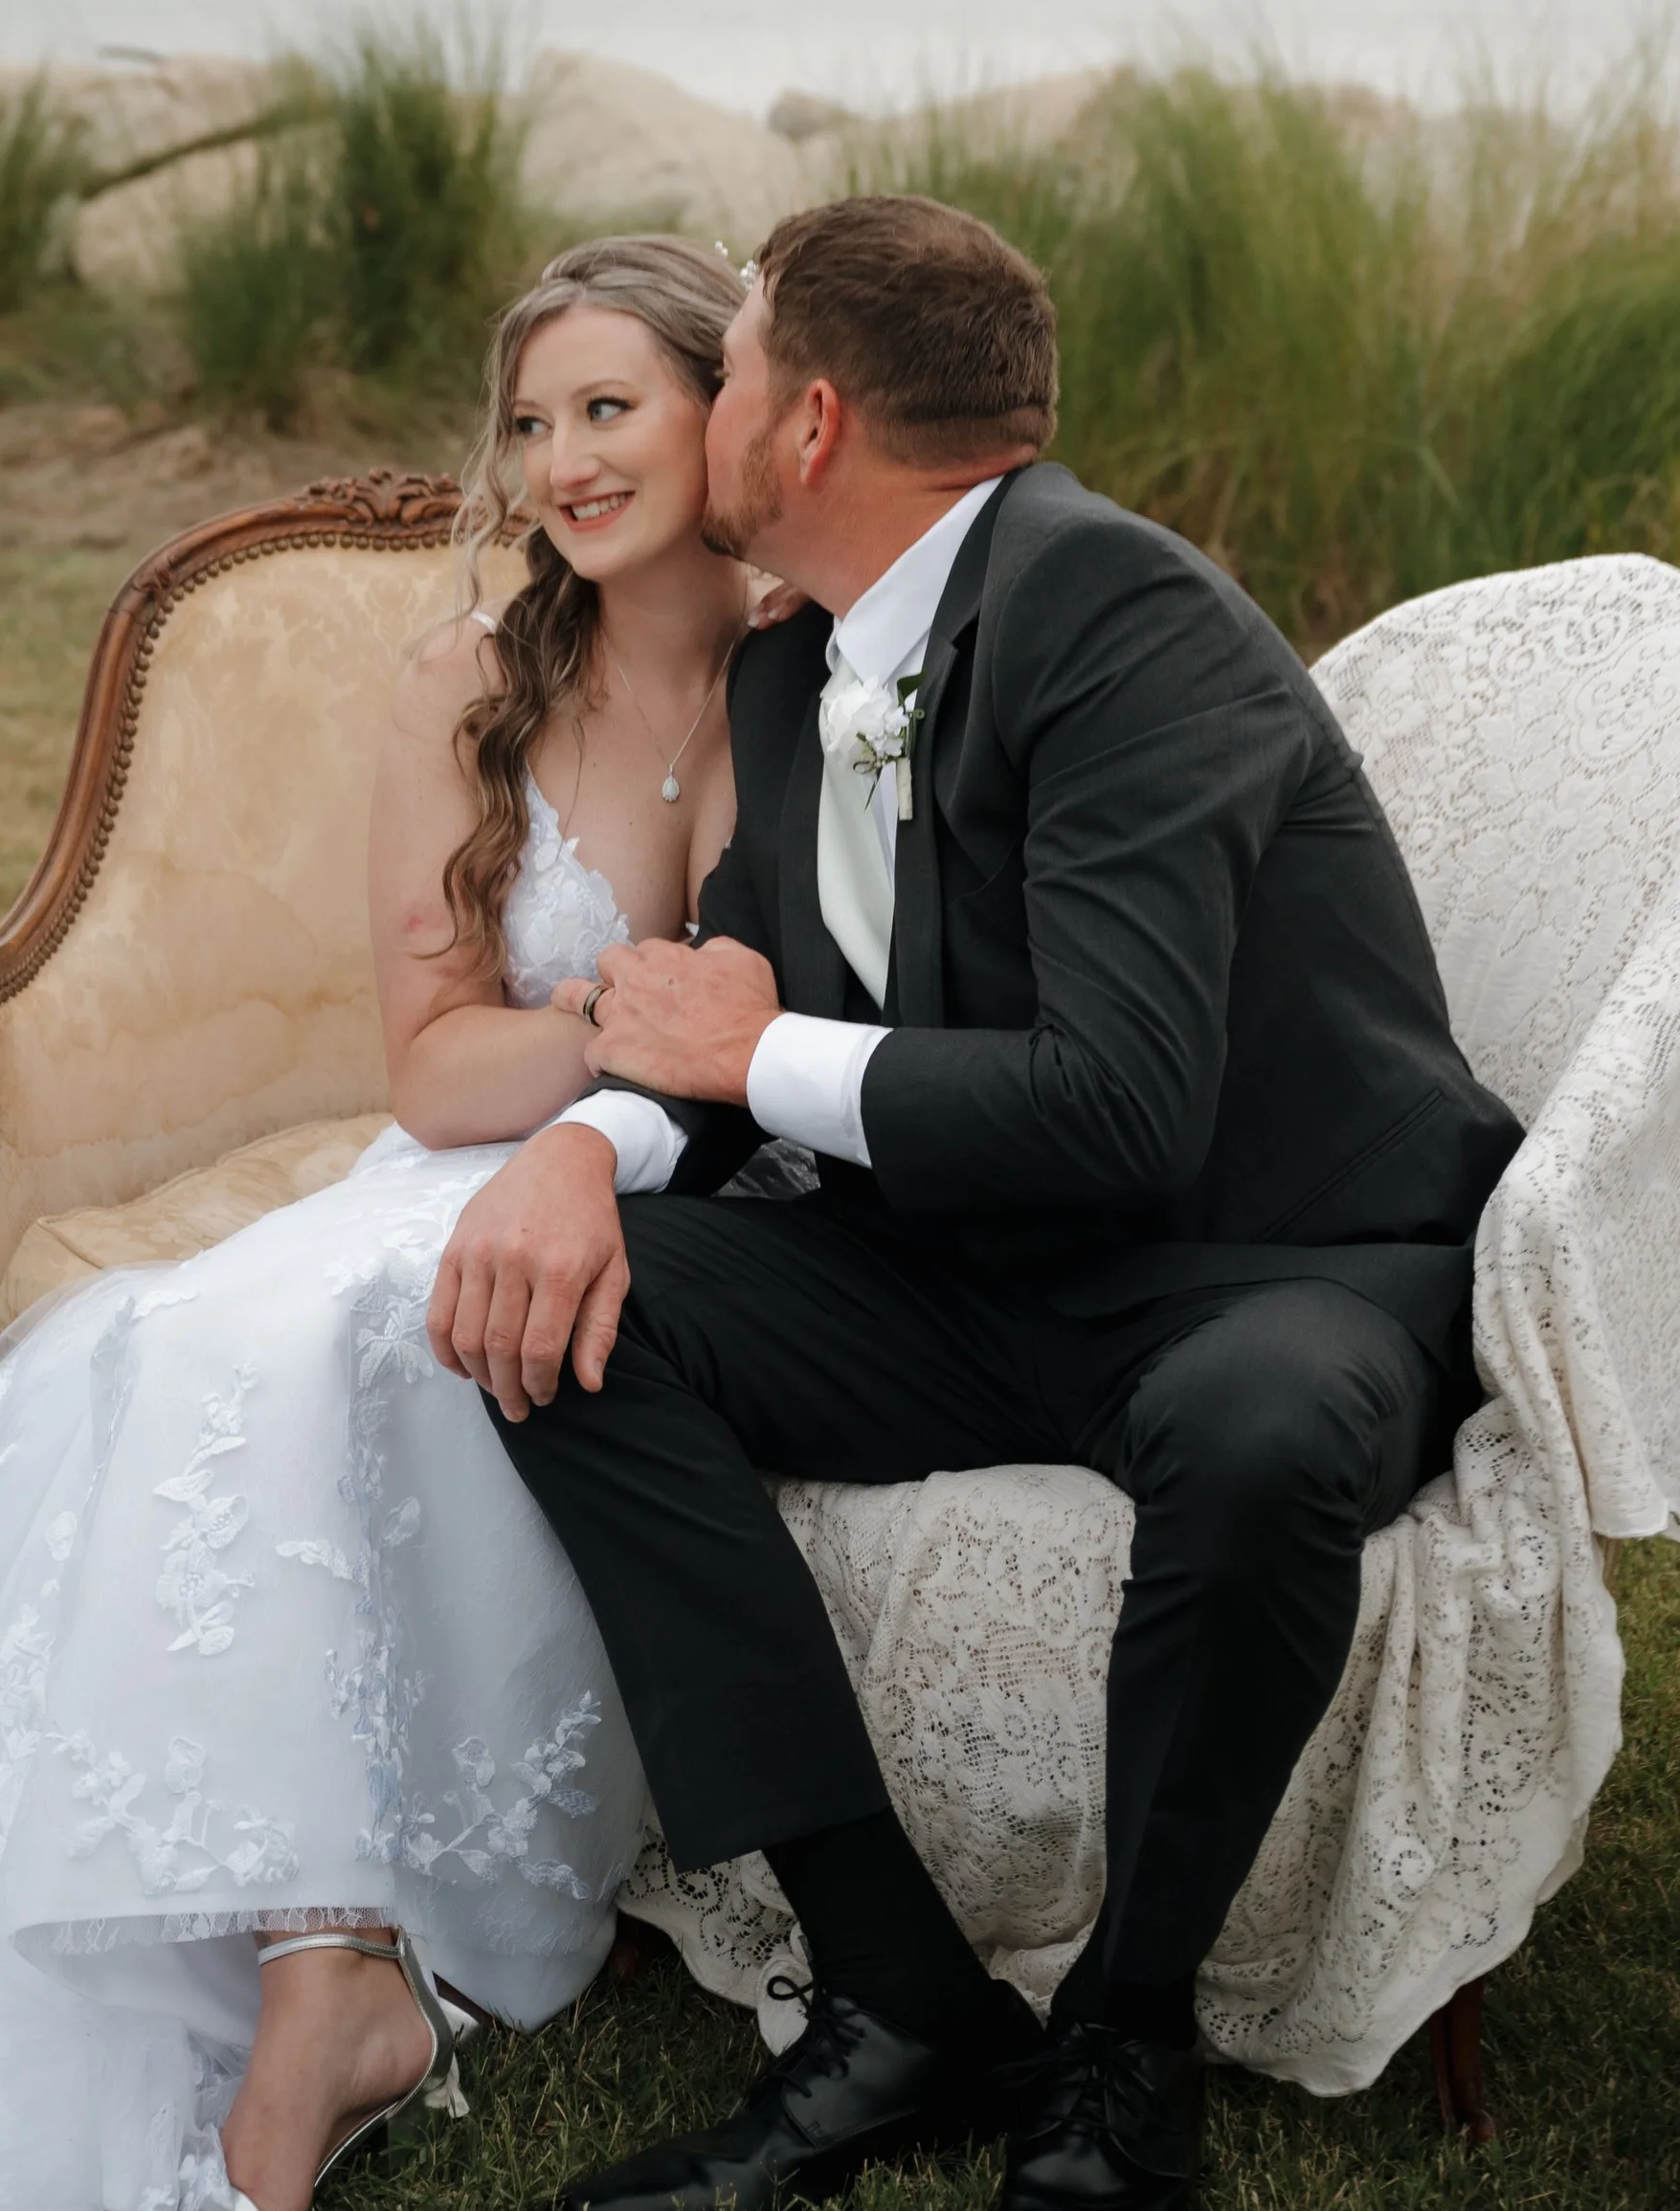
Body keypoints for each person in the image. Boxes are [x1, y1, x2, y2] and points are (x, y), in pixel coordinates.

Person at [0, 234, 758, 2211]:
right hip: (475, 1158)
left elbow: (778, 1028)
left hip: (702, 1194)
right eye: (532, 421)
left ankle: (335, 1987)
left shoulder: (797, 663)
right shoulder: (467, 676)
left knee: (340, 1338)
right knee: (174, 1336)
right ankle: (322, 1953)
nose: (561, 459)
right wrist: (610, 1016)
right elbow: (437, 1070)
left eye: (608, 408)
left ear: (724, 411)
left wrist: (654, 1059)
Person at [430, 194, 1525, 2211]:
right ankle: (891, 1997)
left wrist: (728, 1065)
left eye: (731, 368)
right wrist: (583, 1156)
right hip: (967, 1267)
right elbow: (729, 1016)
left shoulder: (1121, 614)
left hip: (1264, 1265)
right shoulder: (800, 675)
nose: (707, 406)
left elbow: (1115, 1108)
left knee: (1258, 1429)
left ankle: (1121, 2042)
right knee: (570, 1311)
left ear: (812, 423)